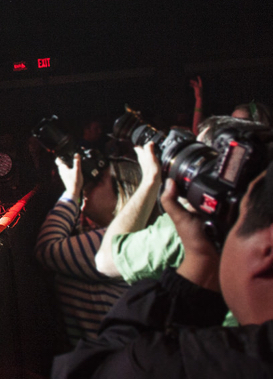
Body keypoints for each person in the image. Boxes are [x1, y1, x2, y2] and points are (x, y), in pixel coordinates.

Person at [52, 153, 273, 377]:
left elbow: (105, 367)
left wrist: (72, 194)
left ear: (267, 250)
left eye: (240, 218)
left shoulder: (206, 362)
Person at [35, 152, 141, 345]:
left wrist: (72, 194)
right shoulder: (104, 233)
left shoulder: (118, 241)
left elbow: (47, 249)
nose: (88, 185)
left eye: (99, 180)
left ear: (124, 193)